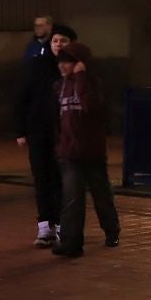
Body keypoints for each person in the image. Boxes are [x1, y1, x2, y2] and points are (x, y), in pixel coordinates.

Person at [51, 40, 120, 258]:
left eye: (67, 62)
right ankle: (71, 243)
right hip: (69, 153)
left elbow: (91, 106)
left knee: (101, 195)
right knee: (72, 198)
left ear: (80, 63)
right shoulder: (59, 86)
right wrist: (60, 145)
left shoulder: (93, 83)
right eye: (60, 62)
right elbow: (57, 119)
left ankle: (111, 230)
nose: (62, 66)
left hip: (92, 151)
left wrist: (80, 77)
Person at [15, 22, 76, 247]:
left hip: (64, 132)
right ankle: (44, 226)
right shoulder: (36, 65)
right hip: (39, 130)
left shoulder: (75, 68)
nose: (58, 44)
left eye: (63, 41)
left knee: (61, 178)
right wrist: (21, 130)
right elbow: (22, 96)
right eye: (55, 40)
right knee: (41, 177)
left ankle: (61, 224)